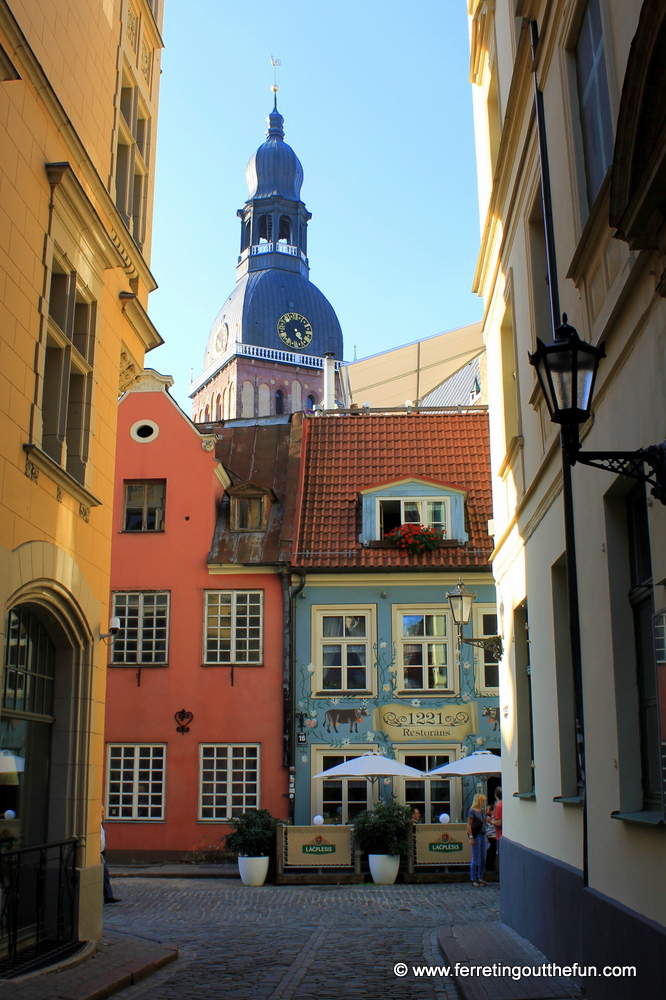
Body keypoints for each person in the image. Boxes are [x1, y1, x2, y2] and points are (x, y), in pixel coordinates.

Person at [101, 807, 121, 904]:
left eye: (103, 811)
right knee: (104, 874)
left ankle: (108, 896)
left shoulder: (101, 823)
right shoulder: (96, 823)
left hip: (101, 853)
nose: (103, 813)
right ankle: (108, 896)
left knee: (104, 875)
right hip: (97, 853)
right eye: (102, 811)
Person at [467, 792, 487, 886]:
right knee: (475, 857)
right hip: (476, 835)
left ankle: (480, 877)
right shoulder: (472, 811)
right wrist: (471, 837)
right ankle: (473, 878)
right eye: (483, 800)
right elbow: (469, 824)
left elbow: (484, 824)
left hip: (483, 834)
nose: (484, 802)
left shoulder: (482, 811)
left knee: (483, 857)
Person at [485, 803, 497, 872]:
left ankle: (490, 866)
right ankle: (488, 866)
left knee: (492, 852)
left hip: (493, 837)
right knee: (489, 852)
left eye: (487, 810)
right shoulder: (486, 819)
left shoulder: (494, 818)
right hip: (488, 837)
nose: (486, 811)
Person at [493, 788, 503, 868]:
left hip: (500, 835)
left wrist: (490, 821)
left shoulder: (499, 806)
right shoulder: (505, 804)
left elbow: (499, 823)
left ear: (496, 795)